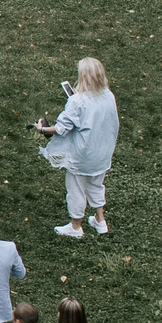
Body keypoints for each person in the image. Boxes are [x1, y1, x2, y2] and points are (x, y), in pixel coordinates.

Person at [37, 56, 119, 239]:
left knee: (75, 189)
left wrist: (41, 128)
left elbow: (60, 129)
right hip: (103, 152)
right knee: (96, 185)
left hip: (83, 155)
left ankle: (75, 227)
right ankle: (100, 221)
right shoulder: (108, 95)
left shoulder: (77, 101)